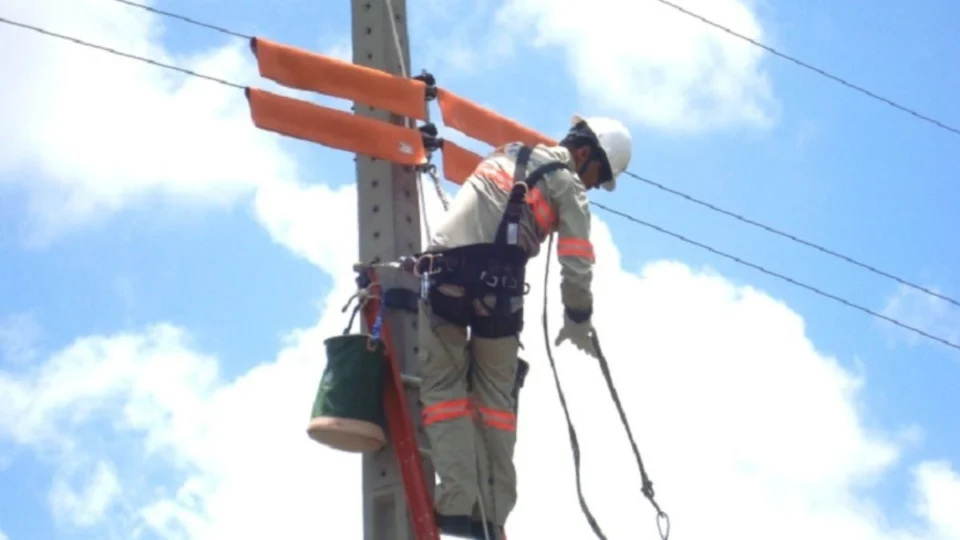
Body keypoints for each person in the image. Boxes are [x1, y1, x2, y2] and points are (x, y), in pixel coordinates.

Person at [415, 115, 632, 538]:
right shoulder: (568, 186)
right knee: (496, 405)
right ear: (584, 154)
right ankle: (489, 516)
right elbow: (576, 261)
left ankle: (457, 506)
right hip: (500, 293)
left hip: (446, 276)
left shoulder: (506, 154)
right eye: (597, 176)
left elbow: (477, 211)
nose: (591, 186)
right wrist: (578, 318)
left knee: (444, 391)